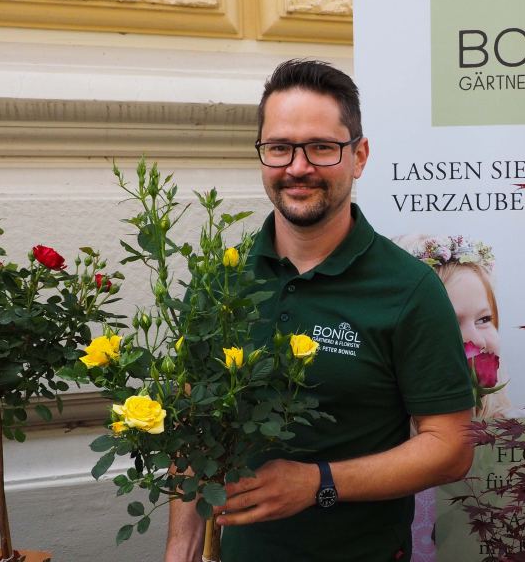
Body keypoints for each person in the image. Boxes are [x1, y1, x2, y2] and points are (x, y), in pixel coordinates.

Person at [164, 60, 475, 562]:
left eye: (322, 148)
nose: (298, 167)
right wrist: (180, 551)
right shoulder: (219, 281)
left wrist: (318, 483)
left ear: (359, 156)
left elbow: (451, 446)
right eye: (280, 147)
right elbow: (193, 433)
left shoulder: (410, 289)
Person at [394, 234, 512, 561]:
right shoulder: (385, 444)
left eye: (484, 319)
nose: (475, 338)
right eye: (448, 322)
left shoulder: (509, 435)